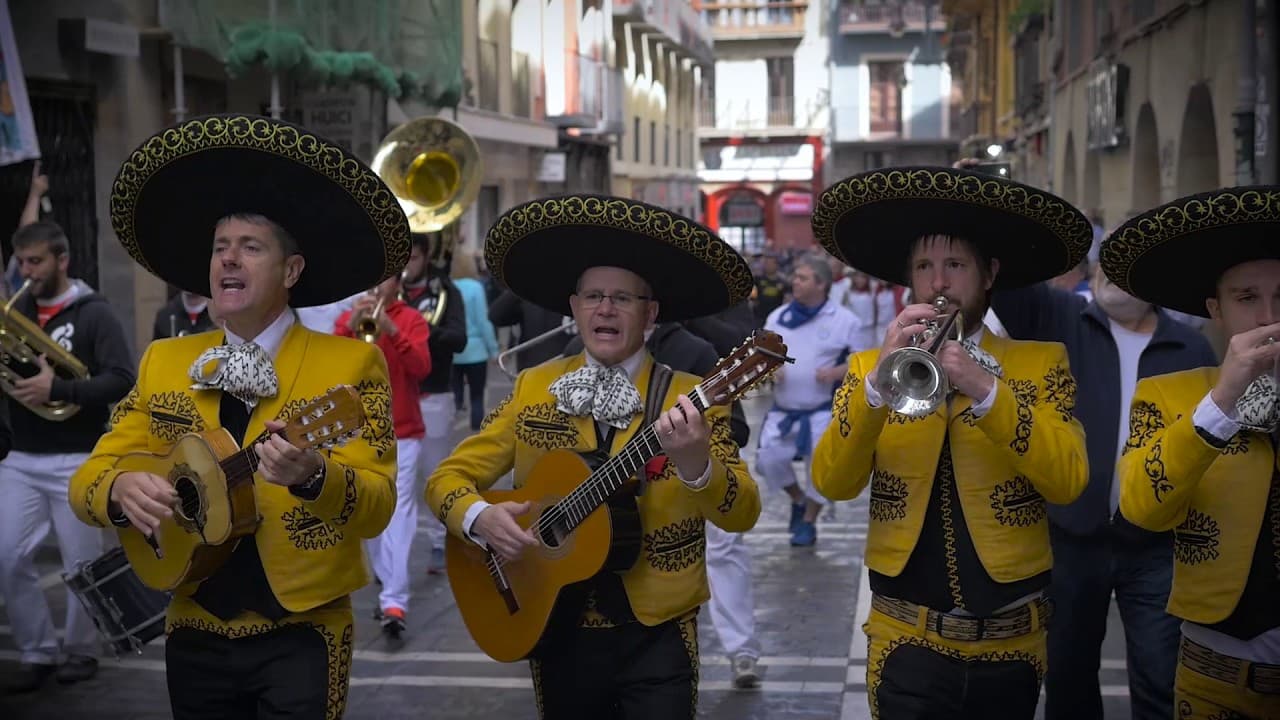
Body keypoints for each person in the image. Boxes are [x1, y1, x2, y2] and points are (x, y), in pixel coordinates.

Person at [67, 113, 404, 719]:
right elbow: (88, 477)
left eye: (250, 248)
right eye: (221, 248)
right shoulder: (165, 360)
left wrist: (313, 476)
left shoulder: (352, 365)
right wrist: (119, 489)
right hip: (192, 619)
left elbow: (378, 506)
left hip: (304, 628)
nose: (229, 261)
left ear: (292, 271)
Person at [426, 194, 762, 717]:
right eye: (593, 297)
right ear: (575, 308)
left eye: (623, 299)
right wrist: (479, 517)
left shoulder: (693, 397)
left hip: (659, 630)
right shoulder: (534, 386)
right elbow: (446, 478)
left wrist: (698, 465)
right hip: (555, 623)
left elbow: (743, 512)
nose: (605, 309)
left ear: (650, 314)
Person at [809, 165, 1092, 719]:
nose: (938, 284)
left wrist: (985, 387)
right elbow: (832, 482)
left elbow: (1069, 481)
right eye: (924, 267)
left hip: (1011, 637)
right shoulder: (869, 367)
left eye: (955, 265)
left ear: (989, 274)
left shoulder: (1039, 363)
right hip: (904, 637)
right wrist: (877, 386)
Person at [990, 262, 1217, 720]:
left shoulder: (1190, 347)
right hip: (1071, 538)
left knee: (1160, 678)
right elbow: (1010, 276)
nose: (1113, 270)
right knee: (1068, 675)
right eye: (1106, 259)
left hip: (1157, 546)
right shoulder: (1060, 320)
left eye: (1128, 262)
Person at [1107, 185, 1280, 720]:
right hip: (1217, 672)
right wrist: (1222, 399)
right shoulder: (1170, 394)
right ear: (1217, 310)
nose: (1268, 317)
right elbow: (1141, 507)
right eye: (1246, 298)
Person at [0, 221, 136, 693]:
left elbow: (122, 378)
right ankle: (36, 650)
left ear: (62, 260)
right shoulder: (15, 309)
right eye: (21, 262)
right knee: (6, 556)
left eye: (35, 261)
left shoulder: (94, 313)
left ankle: (80, 651)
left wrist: (58, 388)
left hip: (77, 455)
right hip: (20, 455)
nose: (26, 272)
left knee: (80, 565)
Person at [335, 272, 431, 637]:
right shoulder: (350, 318)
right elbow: (333, 369)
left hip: (404, 430)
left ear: (397, 284)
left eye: (385, 280)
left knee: (400, 510)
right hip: (361, 432)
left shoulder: (412, 319)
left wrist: (392, 331)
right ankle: (387, 582)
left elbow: (422, 368)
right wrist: (350, 329)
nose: (376, 286)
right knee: (371, 513)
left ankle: (395, 599)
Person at [759, 254, 860, 546]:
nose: (795, 282)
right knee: (768, 460)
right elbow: (763, 354)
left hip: (822, 411)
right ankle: (798, 499)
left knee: (823, 469)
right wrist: (770, 369)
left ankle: (808, 521)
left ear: (821, 284)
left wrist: (837, 371)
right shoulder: (778, 317)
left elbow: (862, 360)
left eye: (802, 278)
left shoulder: (844, 320)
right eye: (795, 277)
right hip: (784, 408)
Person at [401, 231, 468, 574]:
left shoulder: (445, 291)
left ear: (426, 256)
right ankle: (395, 555)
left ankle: (441, 540)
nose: (405, 266)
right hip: (397, 397)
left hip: (433, 394)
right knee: (398, 481)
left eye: (411, 258)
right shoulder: (388, 292)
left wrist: (421, 333)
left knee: (434, 473)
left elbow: (459, 338)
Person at [450, 251, 499, 431]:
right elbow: (483, 321)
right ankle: (475, 433)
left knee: (454, 393)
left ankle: (451, 427)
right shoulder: (476, 288)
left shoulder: (450, 286)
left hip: (454, 351)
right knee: (477, 396)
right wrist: (493, 350)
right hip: (476, 350)